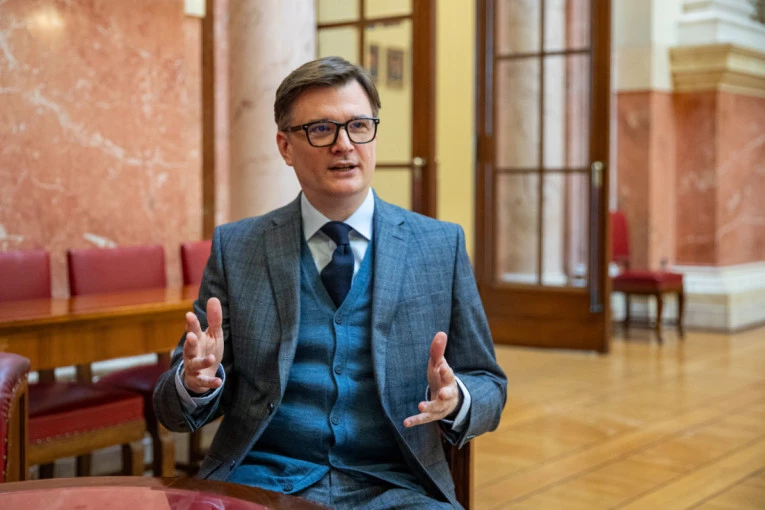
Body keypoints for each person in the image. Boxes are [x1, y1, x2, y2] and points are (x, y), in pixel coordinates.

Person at [153, 56, 507, 509]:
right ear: (285, 147)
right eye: (321, 129)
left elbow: (489, 383)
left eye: (359, 126)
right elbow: (170, 409)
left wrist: (456, 398)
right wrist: (196, 381)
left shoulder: (440, 246)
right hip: (262, 483)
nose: (344, 145)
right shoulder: (238, 248)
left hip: (397, 488)